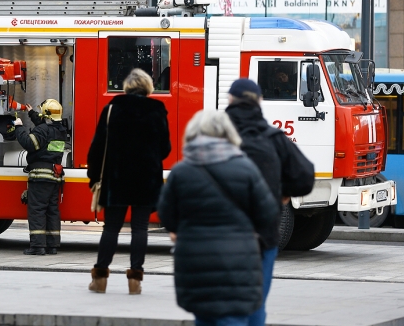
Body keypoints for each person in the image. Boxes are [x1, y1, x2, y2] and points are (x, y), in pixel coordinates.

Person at [157, 109, 278, 326]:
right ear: (228, 133)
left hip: (194, 261)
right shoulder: (246, 168)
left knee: (204, 318)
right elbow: (268, 213)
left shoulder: (181, 172)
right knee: (233, 318)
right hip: (238, 259)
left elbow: (166, 215)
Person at [225, 78, 314, 326]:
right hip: (262, 235)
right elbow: (305, 177)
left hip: (219, 235)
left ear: (230, 101)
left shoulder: (213, 134)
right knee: (256, 304)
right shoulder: (274, 138)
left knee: (220, 304)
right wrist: (282, 192)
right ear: (259, 102)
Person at [87, 68, 171, 294]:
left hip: (116, 178)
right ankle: (135, 280)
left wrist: (93, 176)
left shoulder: (112, 108)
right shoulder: (157, 110)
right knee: (140, 228)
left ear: (127, 86)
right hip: (146, 179)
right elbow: (165, 149)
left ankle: (100, 278)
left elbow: (97, 147)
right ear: (148, 87)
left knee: (112, 227)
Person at [14, 98, 67, 256]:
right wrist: (32, 114)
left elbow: (29, 143)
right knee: (52, 211)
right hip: (54, 177)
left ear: (45, 114)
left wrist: (19, 127)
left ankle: (37, 246)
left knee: (37, 210)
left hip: (40, 176)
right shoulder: (60, 130)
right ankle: (52, 245)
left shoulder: (43, 130)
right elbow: (45, 128)